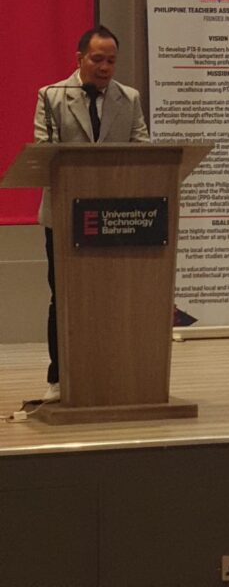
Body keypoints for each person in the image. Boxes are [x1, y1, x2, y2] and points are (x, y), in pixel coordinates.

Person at [33, 25, 150, 401]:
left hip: (115, 216)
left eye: (111, 61)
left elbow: (143, 149)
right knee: (64, 298)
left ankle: (111, 373)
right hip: (64, 216)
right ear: (80, 58)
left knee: (112, 297)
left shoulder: (128, 98)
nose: (104, 68)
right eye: (97, 59)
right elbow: (43, 153)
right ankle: (58, 378)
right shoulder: (51, 96)